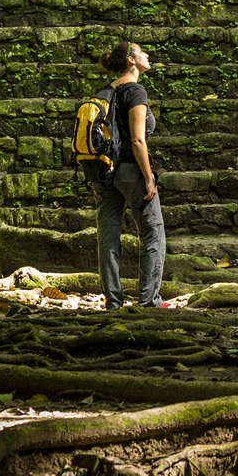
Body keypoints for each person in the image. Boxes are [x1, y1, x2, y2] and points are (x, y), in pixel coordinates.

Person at [92, 40, 166, 307]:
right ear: (131, 60)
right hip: (130, 171)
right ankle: (149, 301)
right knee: (152, 234)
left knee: (108, 235)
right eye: (141, 51)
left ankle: (113, 301)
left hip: (104, 172)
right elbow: (137, 140)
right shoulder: (135, 91)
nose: (147, 54)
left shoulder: (104, 92)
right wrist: (148, 177)